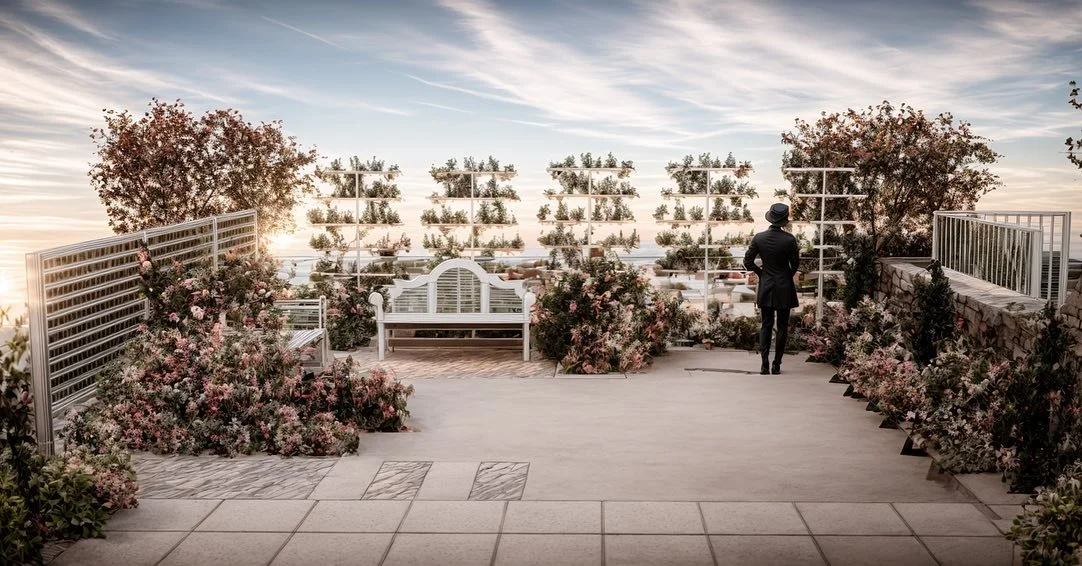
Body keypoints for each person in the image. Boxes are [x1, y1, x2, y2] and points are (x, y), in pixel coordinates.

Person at [743, 203, 801, 375]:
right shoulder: (789, 240)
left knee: (766, 325)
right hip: (784, 286)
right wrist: (786, 275)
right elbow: (795, 264)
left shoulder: (759, 238)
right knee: (782, 325)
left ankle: (764, 364)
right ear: (784, 220)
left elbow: (747, 262)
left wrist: (761, 273)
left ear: (771, 218)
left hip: (766, 285)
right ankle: (777, 365)